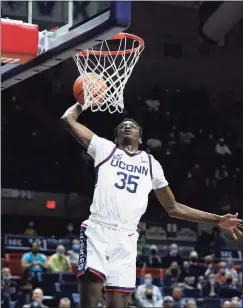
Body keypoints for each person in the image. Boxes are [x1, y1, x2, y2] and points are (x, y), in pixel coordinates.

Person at [61, 102, 243, 308]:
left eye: (133, 126)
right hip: (98, 230)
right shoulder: (105, 148)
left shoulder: (151, 164)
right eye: (122, 126)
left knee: (119, 303)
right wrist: (83, 102)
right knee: (91, 296)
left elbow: (173, 207)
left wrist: (218, 219)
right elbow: (68, 120)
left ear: (140, 137)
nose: (127, 126)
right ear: (116, 136)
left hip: (127, 238)